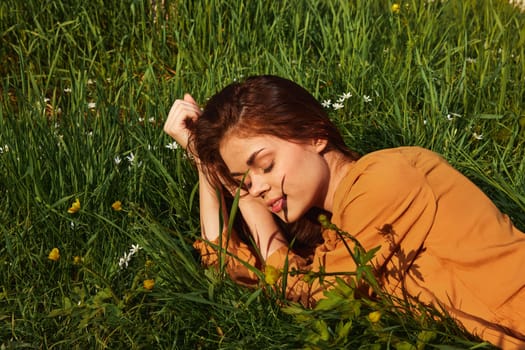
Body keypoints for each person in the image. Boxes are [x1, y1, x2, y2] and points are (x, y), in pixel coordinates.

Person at [163, 75, 525, 349]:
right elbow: (243, 270)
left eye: (266, 165)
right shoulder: (341, 228)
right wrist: (204, 166)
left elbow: (313, 294)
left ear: (315, 134)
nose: (255, 187)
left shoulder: (385, 179)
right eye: (243, 181)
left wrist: (247, 203)